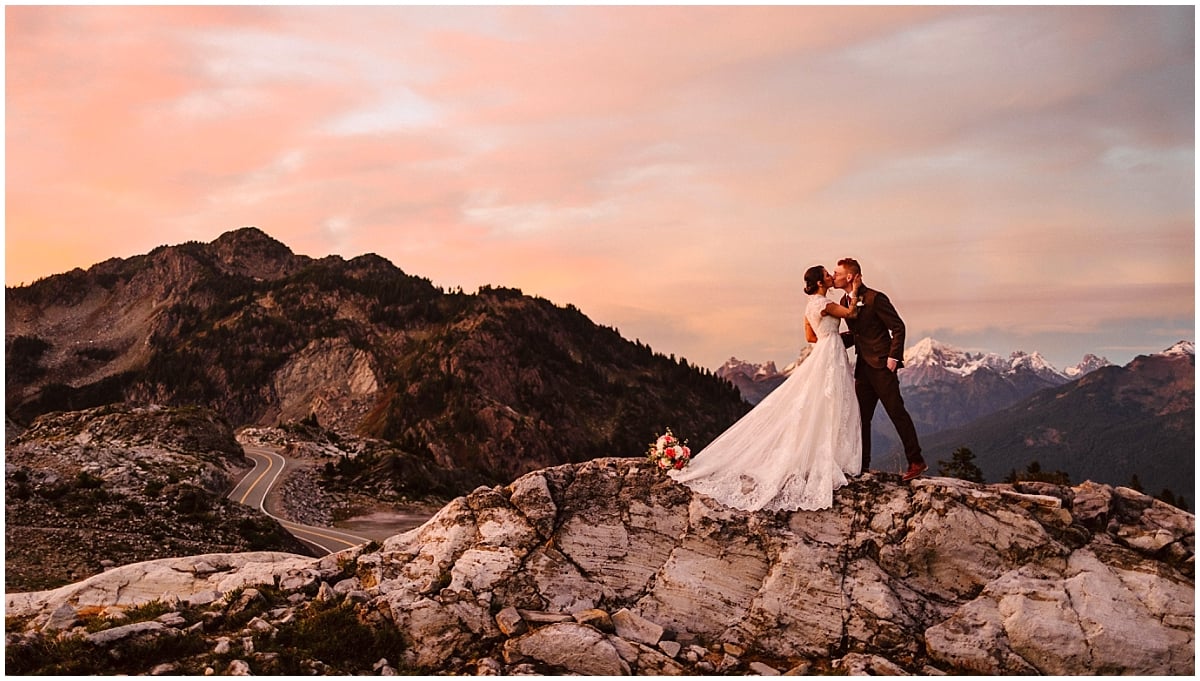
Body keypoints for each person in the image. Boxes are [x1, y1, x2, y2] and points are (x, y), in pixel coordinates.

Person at [669, 265, 862, 511]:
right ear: (819, 283)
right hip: (831, 351)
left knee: (820, 398)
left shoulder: (810, 306)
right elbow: (852, 313)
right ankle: (833, 454)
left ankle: (821, 453)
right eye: (826, 274)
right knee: (834, 398)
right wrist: (855, 290)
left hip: (823, 348)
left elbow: (810, 338)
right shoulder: (825, 304)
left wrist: (827, 335)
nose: (830, 276)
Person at [833, 258, 927, 481]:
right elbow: (859, 334)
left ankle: (916, 461)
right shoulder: (845, 300)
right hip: (863, 367)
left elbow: (898, 327)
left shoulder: (875, 298)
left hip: (882, 365)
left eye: (837, 273)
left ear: (849, 276)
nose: (834, 277)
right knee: (860, 418)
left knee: (896, 412)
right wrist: (831, 341)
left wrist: (893, 358)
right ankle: (862, 465)